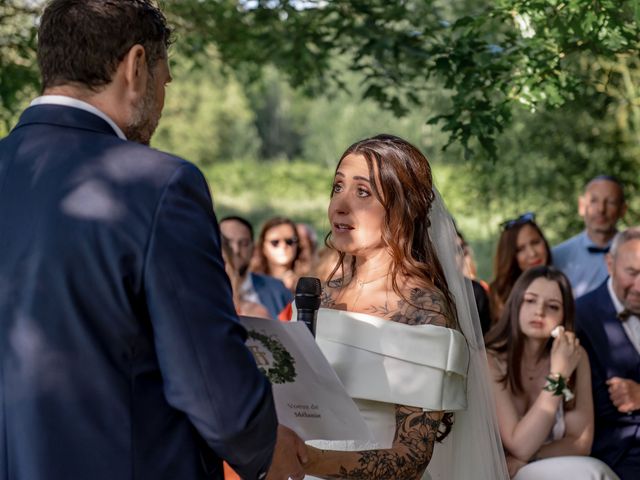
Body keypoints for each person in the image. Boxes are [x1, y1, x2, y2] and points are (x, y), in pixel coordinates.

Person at [0, 1, 305, 479]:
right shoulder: (157, 185)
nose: (164, 93)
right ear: (136, 66)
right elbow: (206, 381)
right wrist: (265, 447)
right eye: (165, 76)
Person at [300, 134, 508, 479]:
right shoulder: (318, 297)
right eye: (337, 187)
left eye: (362, 192)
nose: (340, 204)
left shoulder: (423, 310)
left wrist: (308, 460)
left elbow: (410, 458)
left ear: (402, 209)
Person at [485, 266, 619, 479]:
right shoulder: (490, 359)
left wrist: (530, 456)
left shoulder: (575, 356)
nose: (539, 311)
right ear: (516, 303)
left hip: (539, 464)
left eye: (553, 306)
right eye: (530, 300)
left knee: (593, 472)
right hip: (497, 471)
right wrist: (559, 375)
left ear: (564, 316)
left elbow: (580, 443)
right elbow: (518, 444)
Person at [575, 227, 640, 479]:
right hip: (619, 453)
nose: (639, 286)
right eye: (632, 273)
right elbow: (601, 407)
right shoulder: (581, 315)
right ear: (610, 264)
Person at [553, 176, 627, 298]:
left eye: (610, 202)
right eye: (593, 201)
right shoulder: (557, 257)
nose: (601, 209)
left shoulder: (636, 254)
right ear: (581, 206)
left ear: (623, 210)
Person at [219, 215, 292, 319]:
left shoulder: (277, 290)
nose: (235, 250)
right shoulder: (201, 291)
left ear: (253, 248)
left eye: (243, 243)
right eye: (227, 244)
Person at [490, 212, 552, 325]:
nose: (532, 253)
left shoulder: (560, 282)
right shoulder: (499, 296)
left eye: (535, 242)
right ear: (510, 256)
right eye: (520, 249)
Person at [251, 217, 301, 292]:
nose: (283, 246)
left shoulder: (310, 279)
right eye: (275, 242)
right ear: (263, 246)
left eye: (289, 241)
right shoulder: (250, 281)